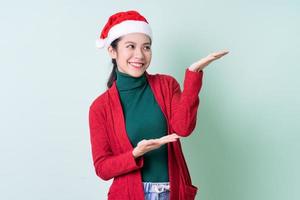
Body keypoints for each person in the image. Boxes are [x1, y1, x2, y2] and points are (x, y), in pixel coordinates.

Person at [89, 10, 229, 200]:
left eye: (146, 47)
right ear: (112, 51)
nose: (139, 54)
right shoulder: (100, 107)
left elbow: (183, 128)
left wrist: (193, 74)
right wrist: (135, 153)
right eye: (130, 46)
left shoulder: (166, 85)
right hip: (129, 195)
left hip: (172, 192)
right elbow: (103, 168)